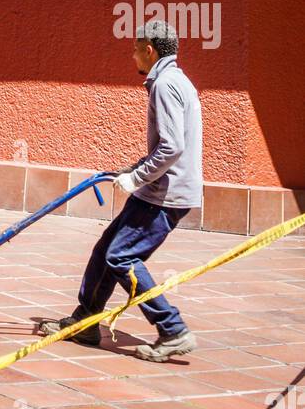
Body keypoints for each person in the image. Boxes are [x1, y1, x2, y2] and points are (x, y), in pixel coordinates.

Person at [39, 20, 203, 362]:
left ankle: (172, 329)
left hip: (165, 195)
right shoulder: (174, 80)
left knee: (121, 257)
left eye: (134, 48)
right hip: (156, 189)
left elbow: (172, 147)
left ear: (149, 49)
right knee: (106, 249)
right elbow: (168, 144)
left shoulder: (166, 84)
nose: (132, 55)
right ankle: (87, 319)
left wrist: (138, 176)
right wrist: (134, 170)